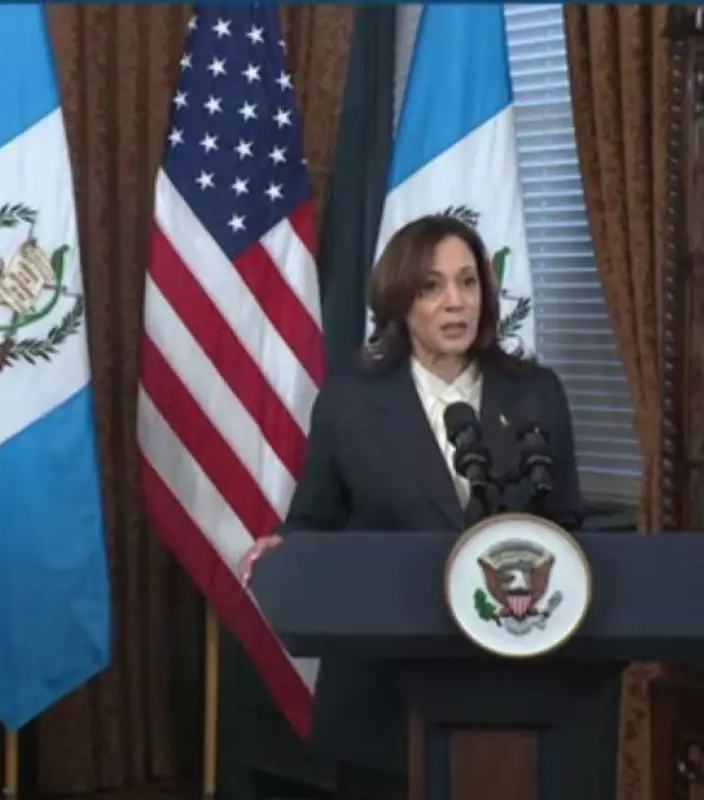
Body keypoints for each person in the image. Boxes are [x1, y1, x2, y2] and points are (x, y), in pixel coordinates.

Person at [240, 213, 618, 800]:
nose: (455, 302)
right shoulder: (351, 401)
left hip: (512, 687)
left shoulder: (535, 393)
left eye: (468, 283)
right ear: (400, 300)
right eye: (432, 286)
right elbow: (315, 519)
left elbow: (564, 525)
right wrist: (284, 548)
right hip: (383, 689)